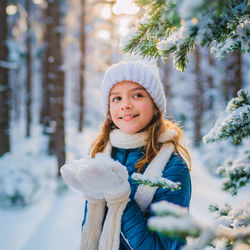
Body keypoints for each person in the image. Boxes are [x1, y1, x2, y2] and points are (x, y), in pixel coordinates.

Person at [61, 61, 192, 250]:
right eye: (117, 99)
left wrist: (120, 197)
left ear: (155, 105)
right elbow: (94, 229)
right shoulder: (104, 153)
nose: (125, 105)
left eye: (137, 95)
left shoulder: (172, 168)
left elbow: (161, 247)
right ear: (109, 110)